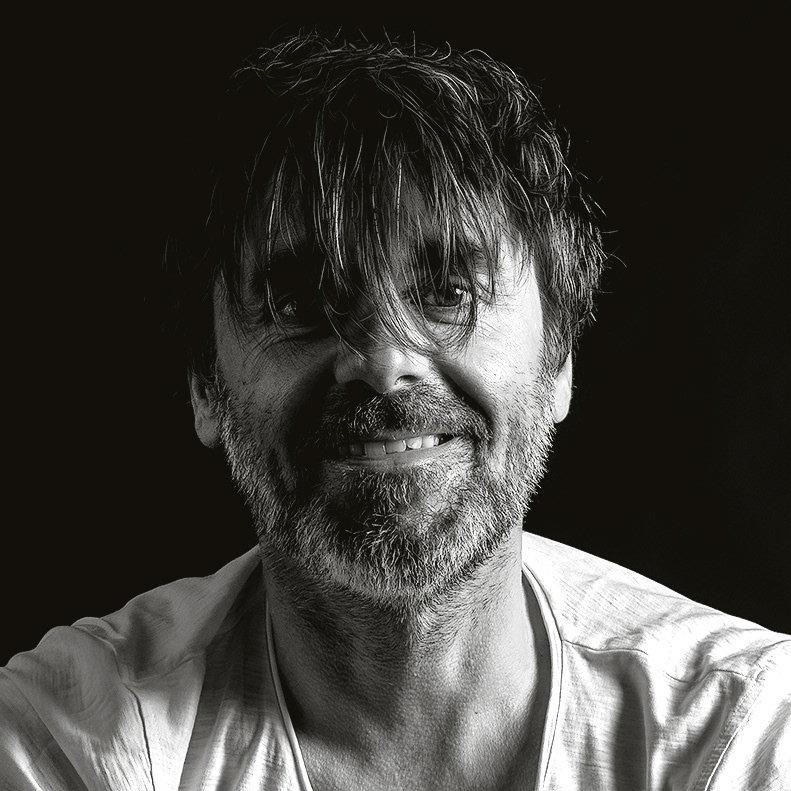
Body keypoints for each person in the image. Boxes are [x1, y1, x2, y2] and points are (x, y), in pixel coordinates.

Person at [1, 30, 788, 791]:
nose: (380, 362)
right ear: (204, 383)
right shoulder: (75, 735)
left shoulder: (738, 730)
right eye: (298, 301)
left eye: (446, 291)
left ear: (558, 360)